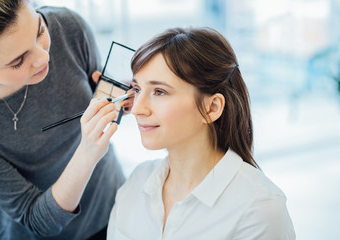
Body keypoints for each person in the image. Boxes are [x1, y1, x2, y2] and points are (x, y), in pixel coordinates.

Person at [107, 27, 296, 239]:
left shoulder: (259, 208)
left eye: (159, 92)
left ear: (212, 108)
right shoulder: (136, 182)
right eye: (137, 89)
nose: (137, 109)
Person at [0, 0, 124, 239]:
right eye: (18, 60)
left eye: (39, 31)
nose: (43, 56)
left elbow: (96, 96)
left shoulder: (68, 26)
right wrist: (87, 152)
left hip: (113, 204)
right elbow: (37, 221)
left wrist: (115, 103)